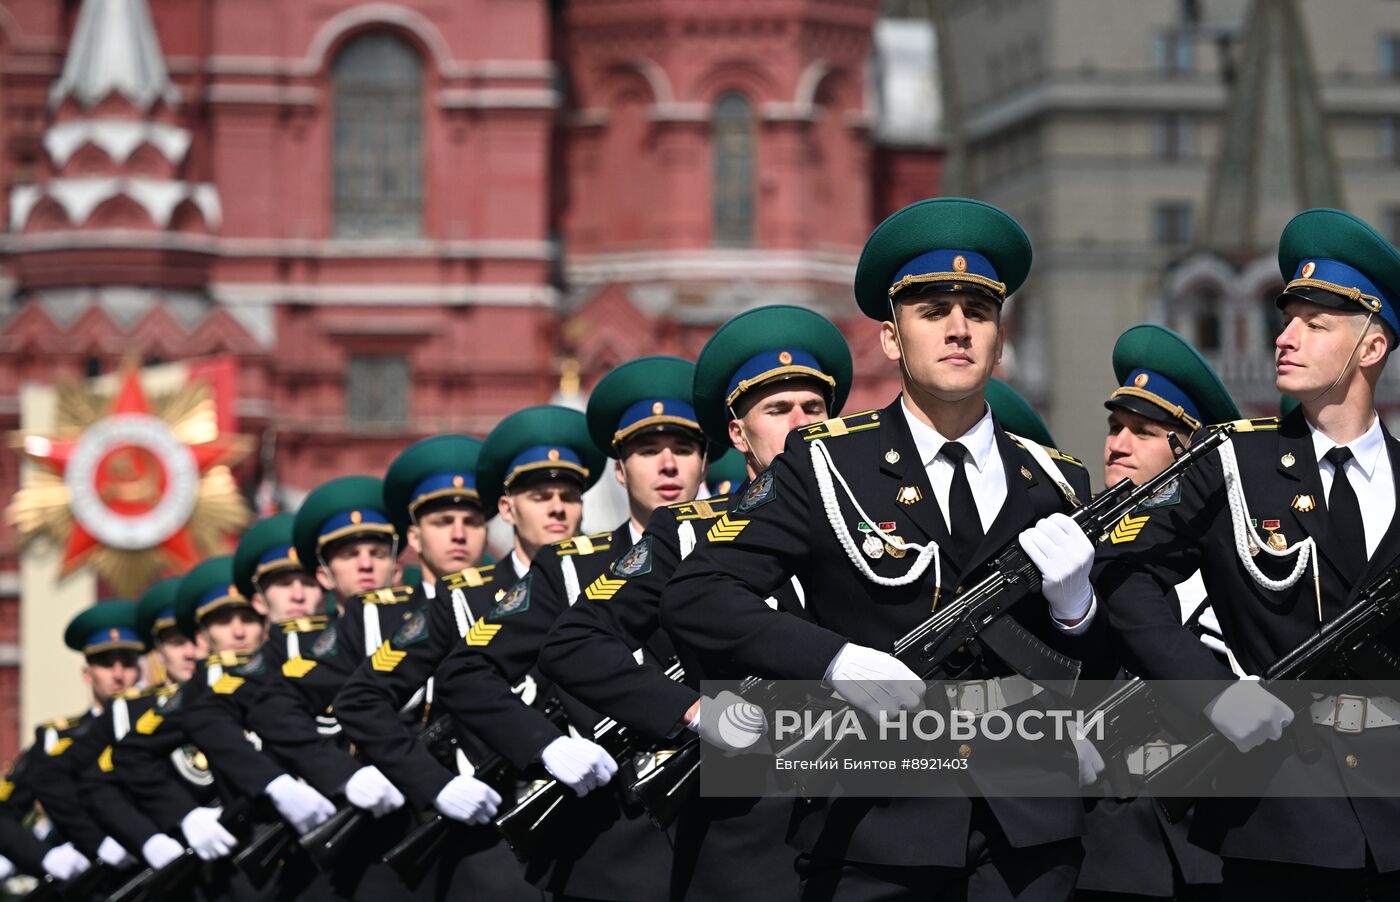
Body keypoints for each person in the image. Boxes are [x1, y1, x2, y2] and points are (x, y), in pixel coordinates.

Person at [661, 197, 1105, 901]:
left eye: (979, 313)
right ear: (892, 340)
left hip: (1030, 827)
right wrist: (831, 661)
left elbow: (1100, 663)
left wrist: (1079, 611)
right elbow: (699, 594)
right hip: (877, 824)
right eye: (933, 313)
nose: (959, 330)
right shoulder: (826, 464)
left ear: (1000, 334)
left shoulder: (1057, 478)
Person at [1096, 208, 1400, 901]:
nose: (1284, 337)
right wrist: (1210, 694)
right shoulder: (1232, 462)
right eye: (1286, 316)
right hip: (1278, 813)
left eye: (1315, 325)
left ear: (1372, 347)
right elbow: (1127, 575)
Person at [538, 306, 853, 901]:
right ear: (738, 435)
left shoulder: (872, 521)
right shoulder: (687, 532)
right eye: (778, 411)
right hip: (752, 826)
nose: (800, 426)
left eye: (814, 410)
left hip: (870, 810)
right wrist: (693, 713)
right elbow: (574, 642)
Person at [334, 405, 615, 898]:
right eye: (539, 495)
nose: (556, 508)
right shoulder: (463, 597)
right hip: (502, 833)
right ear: (508, 510)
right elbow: (361, 699)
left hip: (614, 827)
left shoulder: (615, 578)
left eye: (568, 496)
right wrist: (435, 785)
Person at [1074, 324, 1238, 902]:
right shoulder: (1076, 548)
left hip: (1219, 832)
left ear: (1188, 450)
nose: (1117, 444)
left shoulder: (1241, 553)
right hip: (1108, 837)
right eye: (1115, 427)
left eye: (1143, 432)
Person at [9, 601, 145, 883]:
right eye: (107, 663)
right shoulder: (55, 740)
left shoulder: (161, 727)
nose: (118, 674)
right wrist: (44, 857)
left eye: (128, 663)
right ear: (87, 673)